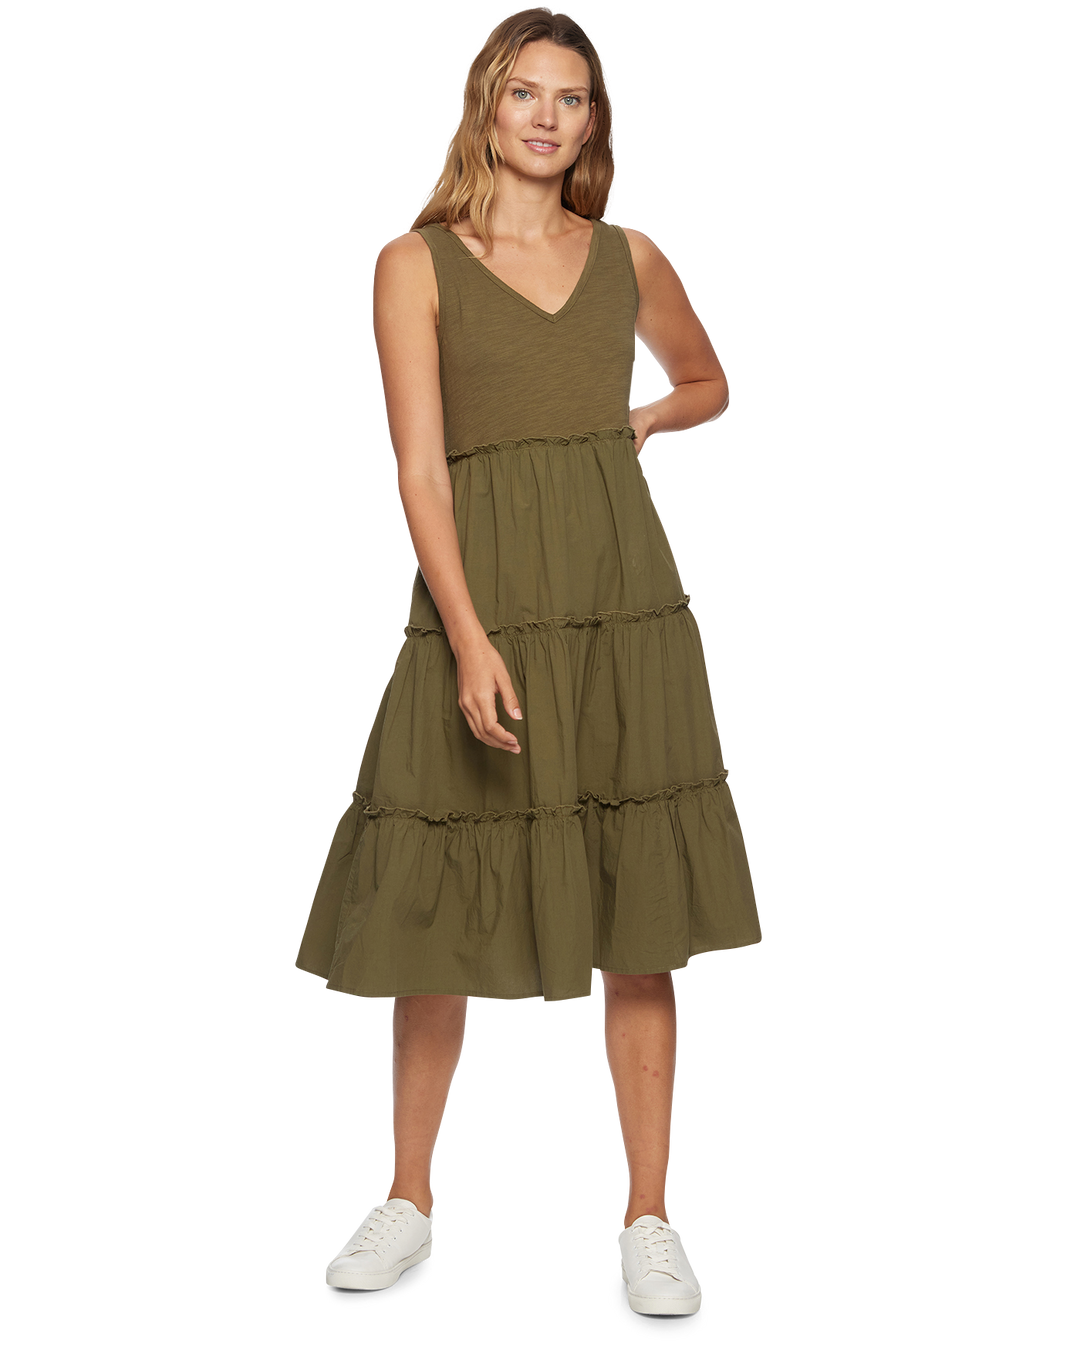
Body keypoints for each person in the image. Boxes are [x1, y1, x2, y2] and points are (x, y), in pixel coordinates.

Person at [296, 5, 763, 1315]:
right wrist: (467, 636)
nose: (549, 117)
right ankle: (407, 1196)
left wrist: (645, 419)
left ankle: (650, 1215)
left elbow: (712, 380)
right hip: (482, 599)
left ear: (593, 120)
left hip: (623, 604)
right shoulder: (414, 261)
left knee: (639, 918)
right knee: (435, 911)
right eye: (525, 93)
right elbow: (418, 469)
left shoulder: (630, 254)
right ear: (484, 106)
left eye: (572, 97)